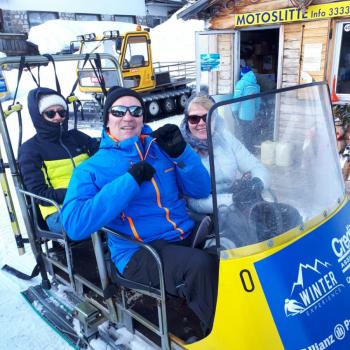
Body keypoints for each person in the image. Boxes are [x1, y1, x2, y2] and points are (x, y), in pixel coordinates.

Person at [61, 86, 218, 336]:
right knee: (199, 267)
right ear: (107, 119)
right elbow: (74, 224)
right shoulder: (91, 169)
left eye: (135, 110)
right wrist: (129, 182)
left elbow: (201, 189)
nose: (128, 117)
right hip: (139, 252)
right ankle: (220, 335)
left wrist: (181, 154)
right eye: (119, 111)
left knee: (234, 246)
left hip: (184, 235)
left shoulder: (160, 149)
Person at [180, 93, 270, 248]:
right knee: (246, 237)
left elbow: (255, 166)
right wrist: (232, 199)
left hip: (237, 202)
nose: (201, 123)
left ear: (215, 118)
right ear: (187, 121)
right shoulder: (182, 150)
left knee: (279, 216)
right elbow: (191, 200)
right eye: (194, 118)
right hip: (207, 214)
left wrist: (256, 184)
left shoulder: (225, 138)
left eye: (207, 117)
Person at [18, 87, 99, 234]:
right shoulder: (31, 149)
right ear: (39, 116)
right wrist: (77, 192)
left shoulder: (76, 137)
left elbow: (104, 156)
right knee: (105, 213)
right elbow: (39, 193)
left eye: (62, 112)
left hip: (92, 200)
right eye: (50, 113)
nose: (58, 117)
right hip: (59, 210)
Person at [232, 66, 260, 152]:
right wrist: (256, 111)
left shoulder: (241, 83)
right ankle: (250, 147)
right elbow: (258, 101)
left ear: (243, 73)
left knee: (243, 131)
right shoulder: (256, 85)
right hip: (251, 113)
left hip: (242, 113)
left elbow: (237, 98)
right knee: (249, 131)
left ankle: (247, 149)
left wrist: (234, 110)